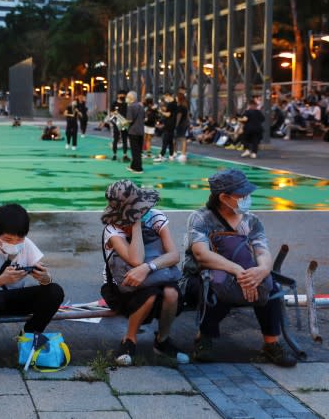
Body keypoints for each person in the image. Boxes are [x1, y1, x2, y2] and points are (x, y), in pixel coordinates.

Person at [183, 169, 297, 367]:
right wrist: (236, 271)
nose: (247, 199)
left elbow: (262, 251)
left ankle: (271, 344)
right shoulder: (201, 218)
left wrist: (261, 271)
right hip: (202, 275)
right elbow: (201, 254)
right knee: (214, 286)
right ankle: (204, 339)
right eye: (242, 195)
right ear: (224, 197)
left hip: (244, 274)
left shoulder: (251, 221)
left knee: (271, 287)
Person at [100, 180, 188, 366]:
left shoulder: (156, 217)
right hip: (124, 285)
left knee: (171, 293)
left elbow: (173, 255)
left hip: (155, 274)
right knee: (150, 295)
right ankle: (129, 340)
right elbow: (135, 259)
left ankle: (162, 341)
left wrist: (149, 267)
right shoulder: (112, 229)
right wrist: (136, 224)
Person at [0, 203, 65, 363]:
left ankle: (30, 333)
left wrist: (45, 278)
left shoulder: (26, 244)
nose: (14, 243)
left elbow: (46, 277)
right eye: (8, 239)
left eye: (19, 239)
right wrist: (3, 279)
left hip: (13, 298)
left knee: (54, 291)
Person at [154, 93, 177, 162]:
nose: (165, 100)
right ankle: (171, 155)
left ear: (168, 96)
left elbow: (168, 114)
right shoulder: (175, 103)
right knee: (170, 141)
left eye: (165, 98)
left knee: (165, 139)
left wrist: (161, 111)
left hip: (169, 124)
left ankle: (161, 155)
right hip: (172, 124)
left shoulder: (171, 104)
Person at [125, 91, 144, 173]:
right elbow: (144, 118)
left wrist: (123, 122)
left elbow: (129, 120)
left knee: (134, 150)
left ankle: (137, 168)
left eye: (127, 97)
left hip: (133, 131)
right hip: (141, 130)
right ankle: (133, 166)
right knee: (138, 150)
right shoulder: (141, 106)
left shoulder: (130, 107)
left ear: (131, 98)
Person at [109, 90, 129, 162]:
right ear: (118, 95)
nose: (122, 96)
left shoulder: (126, 104)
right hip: (116, 123)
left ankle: (125, 155)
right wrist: (114, 113)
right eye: (121, 95)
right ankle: (114, 154)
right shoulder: (114, 103)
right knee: (116, 139)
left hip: (124, 124)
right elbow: (111, 113)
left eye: (123, 95)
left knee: (124, 139)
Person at [174, 91, 189, 161]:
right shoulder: (185, 106)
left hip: (180, 124)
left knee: (181, 139)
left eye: (177, 97)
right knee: (182, 138)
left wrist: (176, 124)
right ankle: (182, 154)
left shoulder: (180, 107)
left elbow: (178, 117)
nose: (175, 98)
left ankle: (182, 154)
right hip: (185, 123)